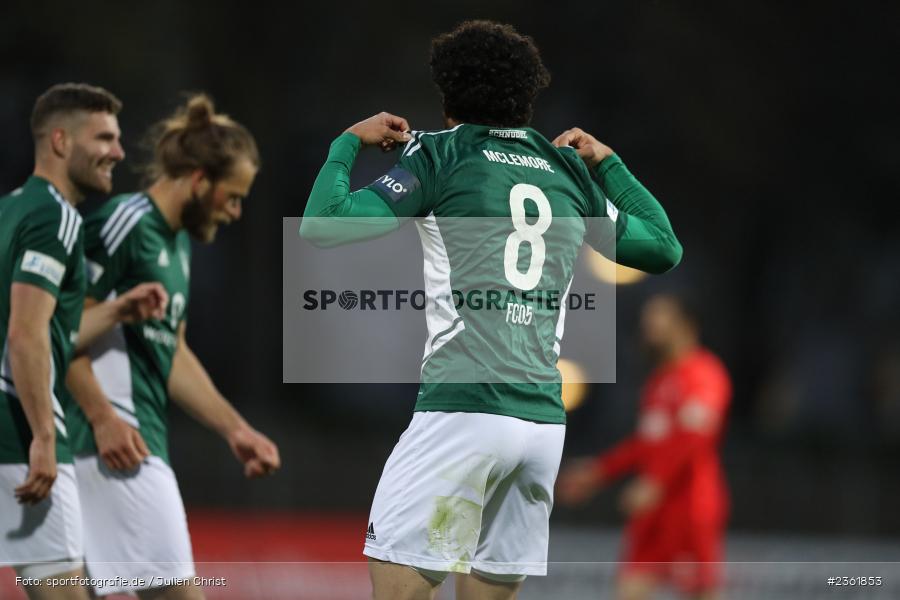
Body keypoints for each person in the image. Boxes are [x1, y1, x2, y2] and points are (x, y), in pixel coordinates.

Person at [302, 20, 683, 600]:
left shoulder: (438, 153)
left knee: (400, 590)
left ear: (447, 92)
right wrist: (609, 163)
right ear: (527, 95)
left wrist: (346, 143)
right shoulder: (565, 169)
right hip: (541, 427)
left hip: (465, 414)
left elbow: (324, 225)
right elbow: (663, 247)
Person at [64, 94, 281, 599]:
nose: (236, 211)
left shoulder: (176, 243)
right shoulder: (128, 223)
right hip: (113, 443)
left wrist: (236, 429)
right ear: (200, 180)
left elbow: (172, 352)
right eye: (232, 195)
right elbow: (58, 326)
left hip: (126, 442)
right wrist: (102, 417)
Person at [0, 82, 164, 600]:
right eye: (105, 138)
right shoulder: (58, 218)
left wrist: (116, 309)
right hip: (19, 434)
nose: (118, 152)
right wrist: (43, 438)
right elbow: (24, 335)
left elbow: (45, 328)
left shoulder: (11, 210)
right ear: (60, 141)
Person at [557, 294, 732, 600]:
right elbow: (647, 444)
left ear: (685, 325)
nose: (648, 325)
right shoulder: (659, 381)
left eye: (659, 317)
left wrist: (655, 482)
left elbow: (695, 439)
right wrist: (599, 471)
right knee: (629, 589)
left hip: (689, 507)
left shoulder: (705, 374)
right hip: (653, 512)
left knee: (702, 593)